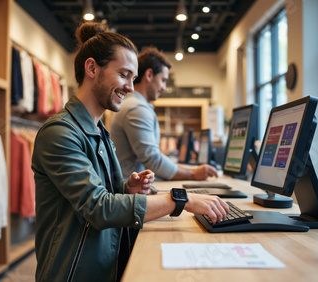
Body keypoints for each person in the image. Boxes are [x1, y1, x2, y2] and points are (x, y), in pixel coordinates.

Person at [32, 22, 229, 282]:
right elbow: (97, 207)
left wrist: (126, 190)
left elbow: (94, 197)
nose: (131, 88)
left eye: (133, 78)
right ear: (91, 68)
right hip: (74, 273)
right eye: (124, 75)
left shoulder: (98, 130)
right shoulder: (60, 133)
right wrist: (180, 199)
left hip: (105, 265)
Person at [109, 46, 218, 181]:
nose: (164, 88)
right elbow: (153, 161)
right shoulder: (137, 109)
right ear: (149, 75)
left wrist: (192, 170)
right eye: (163, 80)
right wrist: (193, 174)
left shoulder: (134, 105)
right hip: (131, 191)